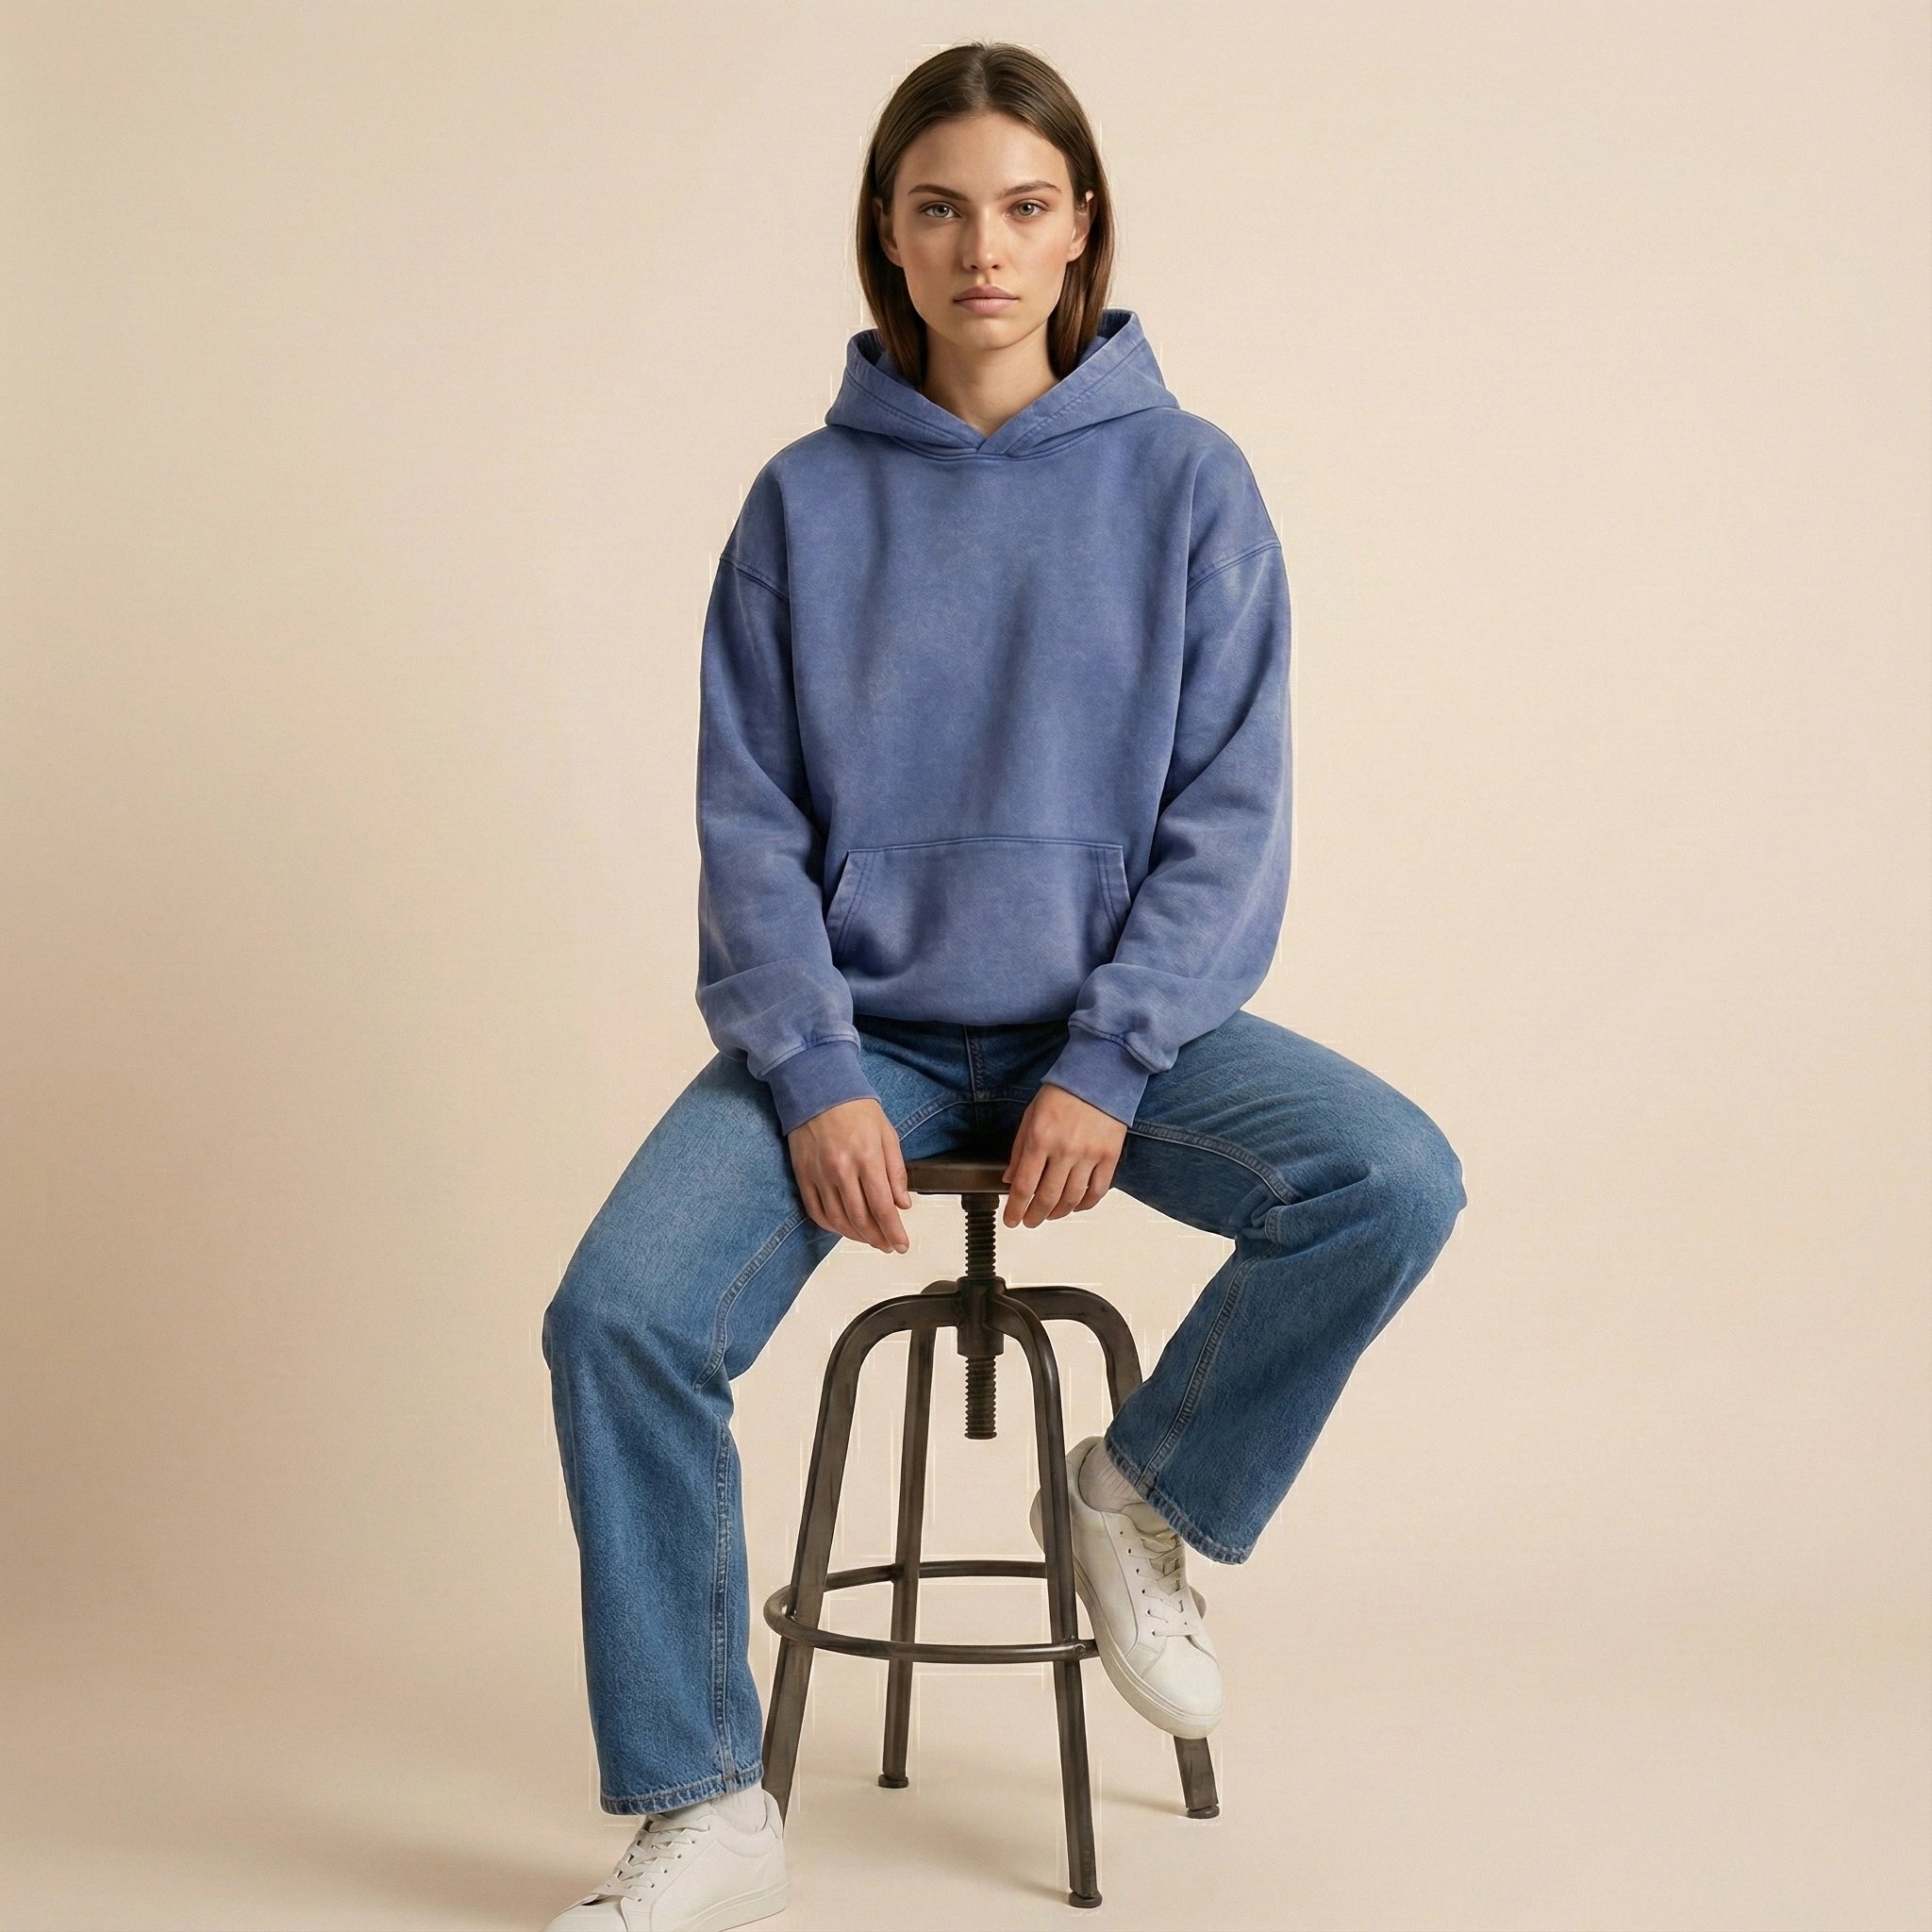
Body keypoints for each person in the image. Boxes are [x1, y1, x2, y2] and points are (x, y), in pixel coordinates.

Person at [540, 40, 1466, 1932]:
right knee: (616, 1315)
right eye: (941, 206)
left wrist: (1115, 1054)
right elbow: (747, 823)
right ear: (886, 235)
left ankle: (1131, 1495)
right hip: (861, 1029)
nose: (984, 248)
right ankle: (705, 1795)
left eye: (1024, 208)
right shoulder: (802, 504)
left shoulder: (1190, 486)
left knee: (1391, 1174)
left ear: (1081, 231)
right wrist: (808, 1071)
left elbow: (1229, 816)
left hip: (1105, 1024)